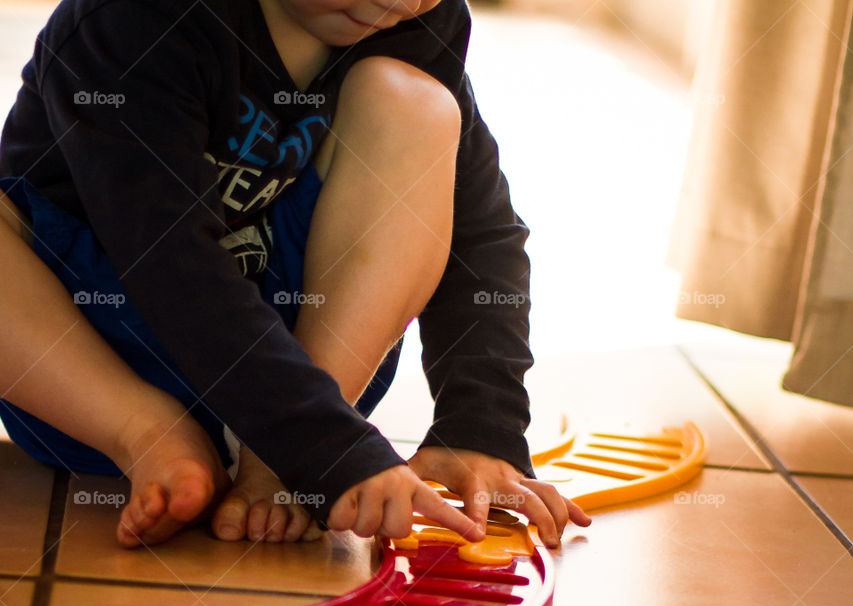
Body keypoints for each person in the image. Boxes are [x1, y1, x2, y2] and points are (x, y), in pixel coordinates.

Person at [0, 0, 591, 549]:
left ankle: (270, 461)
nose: (401, 1)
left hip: (305, 375)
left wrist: (480, 425)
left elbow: (480, 229)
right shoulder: (135, 17)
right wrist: (323, 446)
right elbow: (167, 259)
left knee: (420, 105)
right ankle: (149, 433)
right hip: (84, 371)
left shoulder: (413, 23)